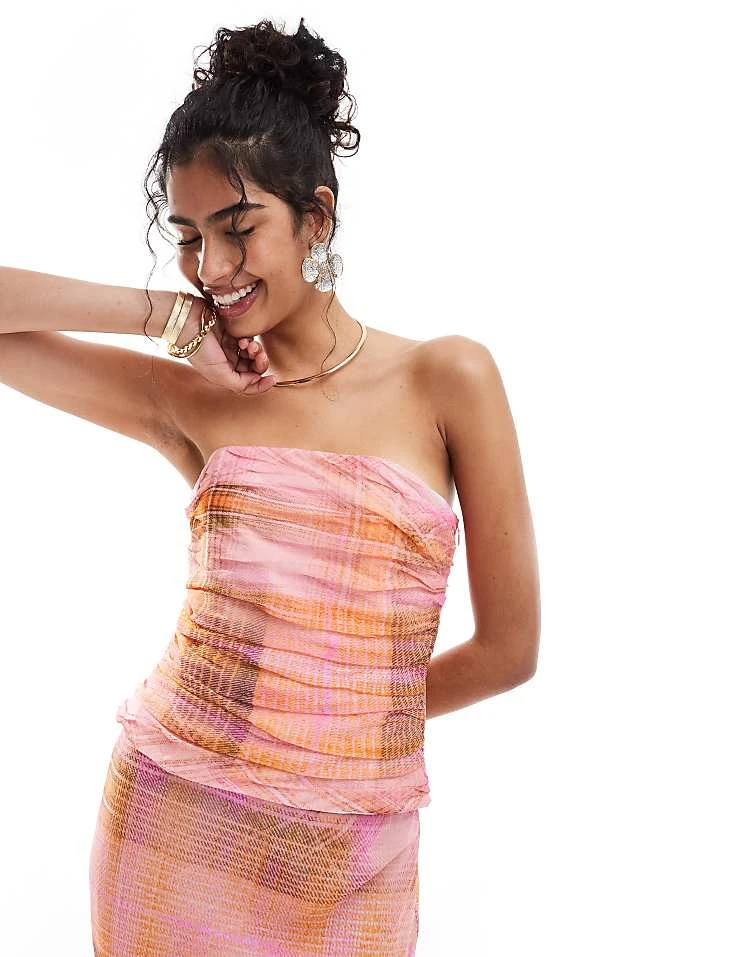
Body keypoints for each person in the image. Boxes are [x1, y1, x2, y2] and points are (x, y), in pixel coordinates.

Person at [0, 16, 540, 956]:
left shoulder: (448, 378)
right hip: (171, 823)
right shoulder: (189, 399)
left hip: (350, 857)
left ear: (315, 218)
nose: (212, 267)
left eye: (239, 229)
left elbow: (509, 650)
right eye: (188, 237)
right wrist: (158, 315)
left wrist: (336, 716)